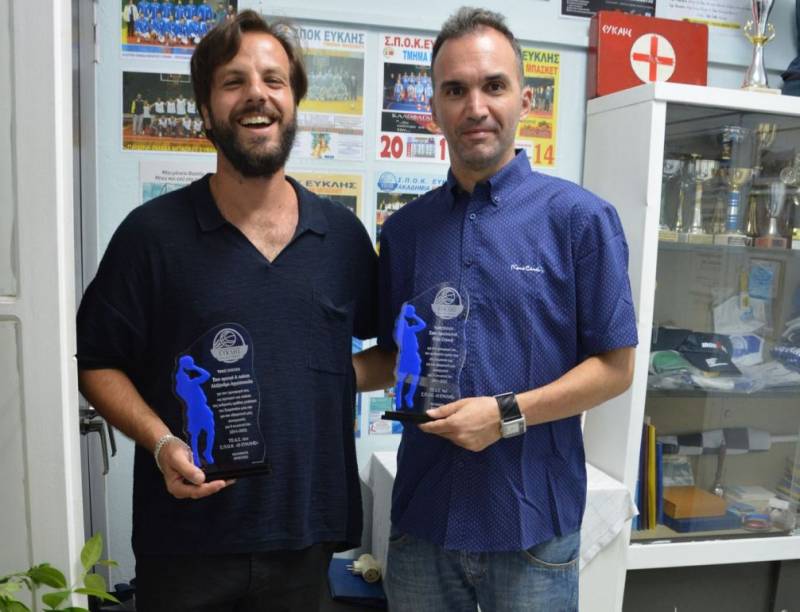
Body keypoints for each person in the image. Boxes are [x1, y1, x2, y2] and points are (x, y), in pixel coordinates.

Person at [77, 10, 389, 611]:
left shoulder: (343, 238)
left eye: (274, 80)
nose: (257, 94)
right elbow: (97, 363)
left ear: (293, 103)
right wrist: (161, 442)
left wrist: (321, 375)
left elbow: (392, 353)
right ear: (205, 110)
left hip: (306, 541)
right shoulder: (151, 235)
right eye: (233, 81)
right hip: (184, 544)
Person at [377, 7, 638, 611]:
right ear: (434, 107)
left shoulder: (580, 219)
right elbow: (395, 354)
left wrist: (505, 415)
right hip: (423, 519)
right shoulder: (406, 231)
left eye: (493, 85)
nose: (475, 107)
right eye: (455, 90)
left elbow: (615, 368)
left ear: (525, 98)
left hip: (532, 527)